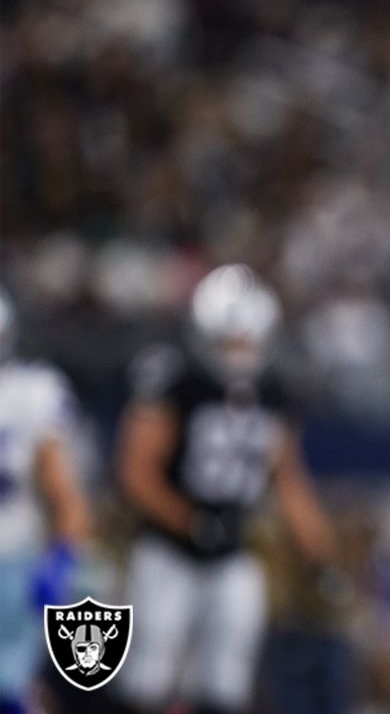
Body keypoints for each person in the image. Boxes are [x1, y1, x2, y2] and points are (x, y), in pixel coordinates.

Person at [116, 265, 336, 714]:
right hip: (167, 549)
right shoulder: (175, 379)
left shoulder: (274, 389)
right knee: (148, 673)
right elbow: (136, 470)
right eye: (229, 340)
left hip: (234, 549)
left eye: (248, 340)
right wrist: (189, 520)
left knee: (227, 680)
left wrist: (319, 551)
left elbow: (287, 476)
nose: (240, 351)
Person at [0, 286, 91, 714]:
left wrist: (62, 557)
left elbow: (66, 495)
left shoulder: (28, 393)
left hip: (13, 558)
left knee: (13, 691)